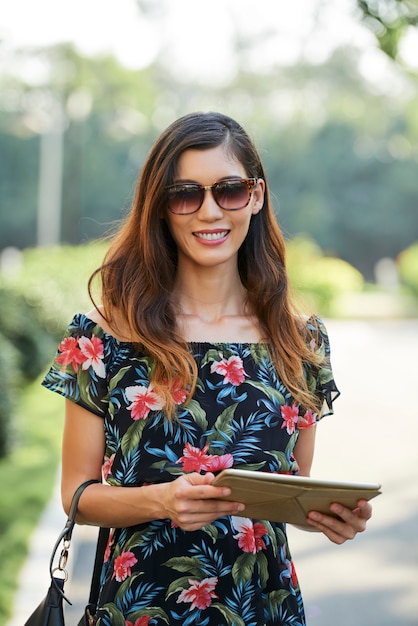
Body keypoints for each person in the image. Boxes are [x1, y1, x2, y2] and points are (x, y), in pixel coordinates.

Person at [42, 111, 372, 626]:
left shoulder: (301, 340)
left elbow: (288, 491)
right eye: (185, 194)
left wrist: (327, 516)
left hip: (261, 606)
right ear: (162, 207)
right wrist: (162, 501)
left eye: (230, 190)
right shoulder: (102, 335)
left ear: (256, 196)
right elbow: (76, 496)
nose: (209, 211)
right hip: (138, 608)